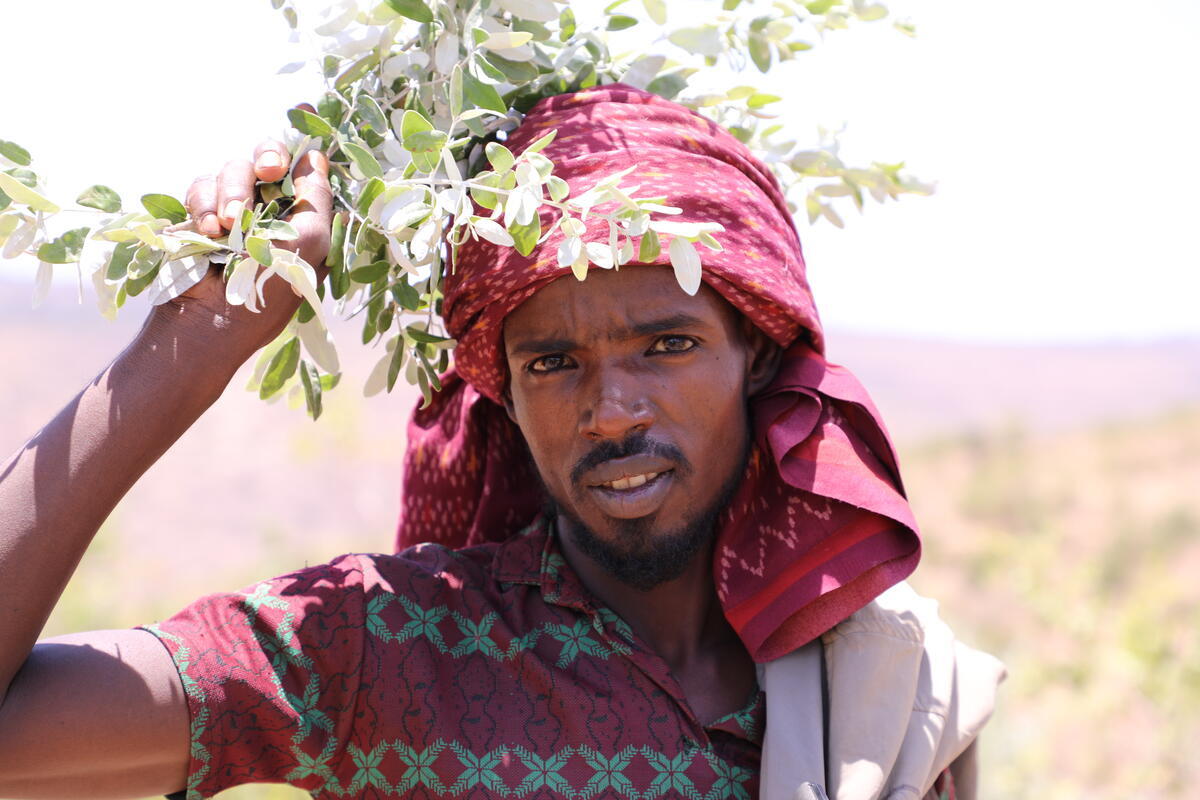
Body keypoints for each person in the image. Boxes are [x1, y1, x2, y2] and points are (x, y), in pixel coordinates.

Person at [0, 85, 1002, 800]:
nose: (612, 409)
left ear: (755, 351)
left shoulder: (887, 686)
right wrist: (190, 344)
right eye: (554, 362)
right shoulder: (389, 647)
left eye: (667, 342)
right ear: (501, 393)